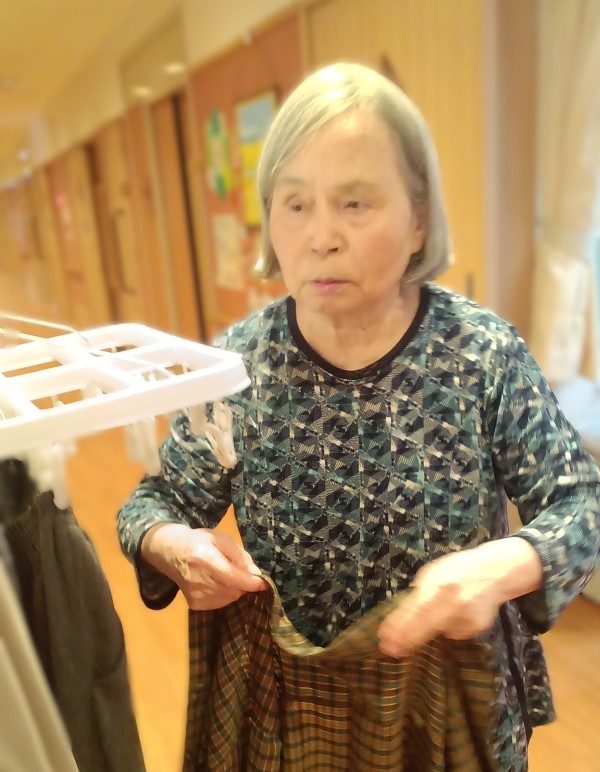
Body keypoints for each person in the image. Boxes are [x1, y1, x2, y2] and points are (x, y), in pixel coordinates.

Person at [117, 62, 600, 770]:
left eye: (354, 203)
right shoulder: (237, 365)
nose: (321, 236)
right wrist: (170, 543)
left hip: (450, 703)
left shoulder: (480, 352)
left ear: (419, 220)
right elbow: (153, 503)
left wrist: (506, 565)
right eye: (295, 204)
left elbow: (581, 505)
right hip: (294, 706)